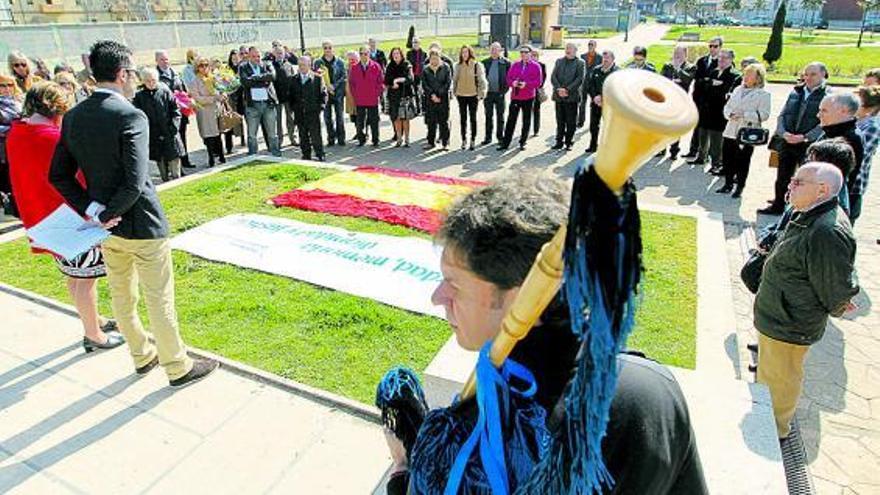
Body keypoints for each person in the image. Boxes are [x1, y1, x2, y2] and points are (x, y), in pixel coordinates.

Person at [384, 173, 708, 494]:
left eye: (453, 284)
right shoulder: (648, 385)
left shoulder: (604, 407)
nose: (438, 297)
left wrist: (404, 472)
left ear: (518, 297)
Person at [50, 40, 219, 386]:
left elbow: (59, 175)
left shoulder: (75, 116)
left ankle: (142, 356)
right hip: (141, 224)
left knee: (123, 296)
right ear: (123, 73)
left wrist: (96, 211)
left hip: (108, 229)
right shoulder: (130, 114)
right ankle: (177, 366)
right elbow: (135, 180)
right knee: (158, 299)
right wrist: (107, 212)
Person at [7, 82, 125, 352]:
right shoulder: (52, 138)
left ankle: (93, 319)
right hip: (70, 219)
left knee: (73, 277)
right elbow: (78, 176)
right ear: (57, 107)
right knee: (85, 279)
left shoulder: (18, 133)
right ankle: (93, 335)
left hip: (42, 219)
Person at [753, 162, 858, 439]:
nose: (790, 186)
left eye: (798, 182)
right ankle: (765, 416)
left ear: (822, 190)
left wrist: (840, 302)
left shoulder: (827, 230)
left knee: (781, 378)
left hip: (790, 321)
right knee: (770, 373)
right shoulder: (808, 212)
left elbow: (834, 283)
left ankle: (774, 432)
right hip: (778, 312)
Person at [759, 62, 829, 216]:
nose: (808, 78)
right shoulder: (796, 92)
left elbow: (824, 123)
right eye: (806, 74)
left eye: (813, 74)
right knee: (782, 177)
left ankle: (800, 209)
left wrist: (805, 137)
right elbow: (783, 115)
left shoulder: (828, 96)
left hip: (809, 145)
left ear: (823, 75)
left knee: (806, 179)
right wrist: (783, 133)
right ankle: (778, 205)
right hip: (788, 141)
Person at [717, 62, 771, 198]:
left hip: (747, 132)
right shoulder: (737, 90)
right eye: (745, 74)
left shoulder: (763, 95)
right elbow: (727, 107)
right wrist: (729, 114)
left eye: (749, 75)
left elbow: (764, 115)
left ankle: (739, 186)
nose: (745, 77)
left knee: (742, 161)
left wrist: (745, 115)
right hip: (731, 129)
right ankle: (728, 183)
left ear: (758, 78)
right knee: (727, 158)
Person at [816, 93, 865, 221]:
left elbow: (840, 180)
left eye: (824, 111)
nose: (818, 115)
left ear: (843, 111)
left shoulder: (851, 138)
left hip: (835, 205)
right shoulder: (831, 131)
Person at [691, 48, 741, 172]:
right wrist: (711, 84)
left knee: (716, 141)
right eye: (720, 58)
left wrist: (713, 85)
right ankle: (701, 156)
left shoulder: (735, 75)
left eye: (724, 58)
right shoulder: (713, 72)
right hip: (706, 110)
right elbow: (703, 86)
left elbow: (726, 92)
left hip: (719, 112)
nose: (721, 60)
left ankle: (716, 163)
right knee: (702, 135)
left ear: (731, 60)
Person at [133, 67, 185, 182]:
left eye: (153, 80)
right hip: (154, 136)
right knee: (162, 168)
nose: (151, 83)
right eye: (148, 81)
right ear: (143, 81)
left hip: (170, 133)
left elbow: (175, 111)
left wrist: (174, 128)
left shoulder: (165, 91)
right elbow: (138, 116)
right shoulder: (139, 96)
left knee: (175, 167)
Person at [682, 37, 722, 161]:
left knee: (709, 129)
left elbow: (719, 82)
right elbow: (698, 79)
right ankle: (693, 150)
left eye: (715, 46)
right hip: (699, 98)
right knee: (697, 125)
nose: (712, 49)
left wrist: (706, 81)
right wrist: (708, 81)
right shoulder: (702, 61)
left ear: (720, 47)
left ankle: (707, 154)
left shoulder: (722, 62)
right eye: (710, 46)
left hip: (712, 101)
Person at [498, 45, 541, 152]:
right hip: (516, 97)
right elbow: (508, 78)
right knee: (511, 120)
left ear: (530, 53)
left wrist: (526, 84)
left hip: (528, 97)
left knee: (526, 120)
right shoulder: (515, 65)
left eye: (526, 52)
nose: (523, 54)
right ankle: (505, 143)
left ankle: (522, 142)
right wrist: (513, 83)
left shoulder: (536, 66)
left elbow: (538, 82)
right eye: (522, 52)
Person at [239, 46, 280, 156]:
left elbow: (272, 76)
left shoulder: (267, 64)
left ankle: (276, 153)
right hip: (252, 105)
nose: (257, 58)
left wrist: (255, 78)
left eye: (258, 56)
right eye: (253, 56)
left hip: (268, 104)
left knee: (272, 133)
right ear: (248, 56)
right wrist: (263, 80)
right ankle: (252, 155)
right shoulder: (243, 67)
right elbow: (245, 82)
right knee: (252, 134)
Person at [155, 50, 194, 168]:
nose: (165, 62)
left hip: (180, 112)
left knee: (182, 136)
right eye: (162, 59)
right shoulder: (155, 76)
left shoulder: (175, 74)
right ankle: (172, 166)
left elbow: (183, 90)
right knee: (170, 139)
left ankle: (185, 161)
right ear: (156, 61)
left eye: (166, 59)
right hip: (166, 114)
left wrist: (188, 100)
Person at [189, 57, 227, 167]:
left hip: (216, 110)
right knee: (209, 136)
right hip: (205, 112)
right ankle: (211, 158)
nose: (204, 67)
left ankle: (222, 156)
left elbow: (222, 89)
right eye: (201, 65)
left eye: (206, 65)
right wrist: (214, 98)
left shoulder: (213, 78)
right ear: (197, 68)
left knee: (218, 135)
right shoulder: (194, 82)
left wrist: (223, 94)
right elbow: (198, 98)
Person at [660, 45, 696, 159]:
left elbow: (687, 80)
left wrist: (679, 70)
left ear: (685, 55)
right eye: (675, 53)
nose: (677, 56)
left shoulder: (690, 67)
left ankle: (674, 150)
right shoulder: (667, 66)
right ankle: (661, 149)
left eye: (679, 54)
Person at [289, 55, 326, 162]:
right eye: (299, 65)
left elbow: (323, 95)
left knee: (315, 135)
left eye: (304, 65)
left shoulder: (317, 79)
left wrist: (320, 108)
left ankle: (319, 154)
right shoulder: (293, 80)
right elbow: (291, 97)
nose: (301, 67)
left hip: (313, 112)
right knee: (303, 135)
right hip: (300, 113)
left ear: (309, 65)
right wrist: (294, 108)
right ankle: (306, 155)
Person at [550, 42, 585, 151]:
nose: (567, 50)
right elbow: (553, 76)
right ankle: (559, 142)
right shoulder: (559, 61)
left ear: (575, 50)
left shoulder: (580, 63)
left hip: (572, 97)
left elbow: (579, 79)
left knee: (571, 121)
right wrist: (559, 89)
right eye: (566, 48)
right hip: (559, 97)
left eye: (570, 48)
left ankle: (569, 142)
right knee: (560, 121)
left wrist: (567, 90)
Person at [853, 85, 880, 224]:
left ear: (870, 108)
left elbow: (856, 154)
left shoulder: (872, 128)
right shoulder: (854, 122)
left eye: (857, 103)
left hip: (854, 185)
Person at [452, 45, 487, 151]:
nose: (464, 55)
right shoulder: (458, 65)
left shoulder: (477, 65)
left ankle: (472, 140)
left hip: (473, 95)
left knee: (473, 119)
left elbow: (482, 81)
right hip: (461, 95)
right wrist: (454, 92)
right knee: (463, 119)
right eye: (463, 53)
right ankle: (463, 140)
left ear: (470, 53)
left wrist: (481, 94)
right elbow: (455, 80)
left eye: (466, 52)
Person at [349, 44, 384, 147]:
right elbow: (351, 84)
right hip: (360, 100)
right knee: (360, 122)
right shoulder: (354, 68)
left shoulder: (376, 66)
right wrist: (355, 95)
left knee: (374, 120)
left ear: (369, 54)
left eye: (366, 53)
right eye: (362, 54)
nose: (364, 56)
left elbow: (381, 82)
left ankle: (375, 140)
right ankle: (361, 139)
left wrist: (377, 94)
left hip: (372, 99)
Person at [314, 40, 347, 147]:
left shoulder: (340, 62)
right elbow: (315, 76)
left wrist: (334, 86)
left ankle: (341, 138)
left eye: (329, 47)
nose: (327, 50)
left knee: (339, 117)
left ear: (333, 48)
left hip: (337, 93)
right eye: (325, 48)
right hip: (325, 94)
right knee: (327, 117)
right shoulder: (318, 62)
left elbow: (343, 76)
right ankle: (331, 138)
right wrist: (326, 87)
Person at [585, 49, 618, 153]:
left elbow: (616, 89)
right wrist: (595, 97)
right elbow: (590, 85)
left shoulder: (617, 72)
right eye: (604, 58)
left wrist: (604, 98)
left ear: (613, 59)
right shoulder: (596, 70)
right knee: (593, 126)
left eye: (607, 58)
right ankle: (593, 145)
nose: (605, 60)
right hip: (596, 104)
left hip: (610, 105)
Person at [421, 49, 452, 151]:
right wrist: (432, 95)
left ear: (440, 57)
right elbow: (425, 85)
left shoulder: (446, 68)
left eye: (436, 58)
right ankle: (431, 142)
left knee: (444, 121)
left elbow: (447, 83)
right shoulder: (425, 69)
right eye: (432, 58)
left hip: (443, 99)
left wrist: (439, 94)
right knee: (431, 122)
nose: (434, 60)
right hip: (430, 99)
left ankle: (445, 143)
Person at [0, 74, 22, 218]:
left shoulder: (20, 101)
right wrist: (13, 129)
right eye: (2, 85)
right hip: (4, 148)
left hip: (21, 145)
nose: (7, 88)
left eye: (10, 85)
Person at [480, 42, 510, 146]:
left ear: (500, 50)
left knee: (500, 116)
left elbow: (509, 80)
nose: (494, 51)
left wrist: (504, 92)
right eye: (492, 49)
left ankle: (500, 137)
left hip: (500, 94)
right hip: (488, 94)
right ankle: (488, 137)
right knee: (488, 116)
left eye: (496, 49)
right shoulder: (484, 62)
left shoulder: (506, 63)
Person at [385, 47, 415, 147]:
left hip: (405, 95)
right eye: (394, 54)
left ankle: (407, 139)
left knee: (405, 119)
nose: (396, 56)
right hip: (393, 96)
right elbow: (386, 80)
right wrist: (392, 83)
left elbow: (410, 79)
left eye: (397, 53)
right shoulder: (390, 66)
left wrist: (399, 80)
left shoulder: (407, 64)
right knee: (396, 118)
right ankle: (399, 138)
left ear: (401, 54)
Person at [268, 44, 298, 148]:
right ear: (274, 54)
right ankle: (279, 140)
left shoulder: (288, 65)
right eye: (277, 53)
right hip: (277, 97)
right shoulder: (271, 65)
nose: (280, 55)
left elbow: (293, 80)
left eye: (281, 53)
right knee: (278, 120)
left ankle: (292, 138)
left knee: (291, 118)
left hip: (288, 97)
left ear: (284, 54)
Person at [577, 39, 602, 129]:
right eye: (589, 44)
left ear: (595, 46)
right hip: (583, 84)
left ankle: (594, 121)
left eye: (592, 44)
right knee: (582, 103)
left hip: (593, 84)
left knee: (594, 104)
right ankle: (580, 121)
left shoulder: (600, 57)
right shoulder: (582, 56)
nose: (590, 46)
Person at [224, 49, 245, 152]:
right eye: (233, 58)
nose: (235, 60)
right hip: (231, 98)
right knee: (229, 121)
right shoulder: (227, 69)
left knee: (241, 119)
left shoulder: (242, 68)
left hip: (242, 97)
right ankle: (229, 147)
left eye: (236, 58)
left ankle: (243, 139)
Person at [406, 37, 426, 115]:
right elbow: (408, 64)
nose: (415, 44)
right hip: (413, 76)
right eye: (414, 42)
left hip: (421, 76)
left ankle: (423, 109)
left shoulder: (424, 53)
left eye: (417, 42)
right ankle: (416, 109)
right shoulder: (409, 53)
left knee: (422, 92)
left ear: (419, 43)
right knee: (414, 93)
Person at [530, 49, 547, 137]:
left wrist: (536, 86)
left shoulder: (542, 65)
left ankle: (536, 129)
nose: (533, 57)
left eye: (535, 55)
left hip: (537, 91)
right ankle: (527, 128)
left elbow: (543, 78)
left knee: (536, 110)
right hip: (527, 91)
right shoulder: (527, 65)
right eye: (532, 55)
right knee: (527, 111)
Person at [344, 50, 359, 125]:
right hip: (350, 97)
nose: (351, 61)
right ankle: (358, 132)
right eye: (349, 59)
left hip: (360, 97)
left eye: (353, 59)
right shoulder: (346, 69)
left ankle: (362, 133)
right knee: (353, 117)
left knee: (361, 116)